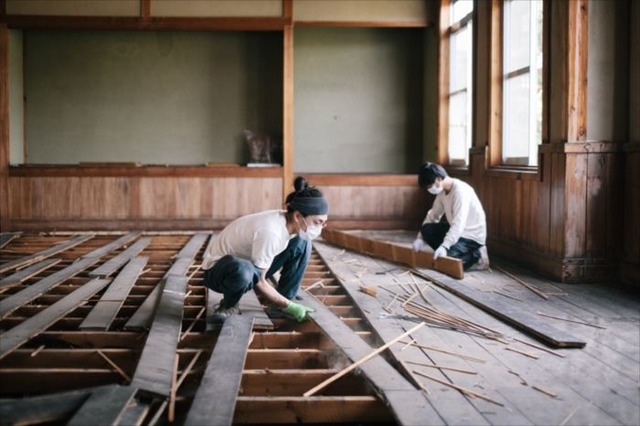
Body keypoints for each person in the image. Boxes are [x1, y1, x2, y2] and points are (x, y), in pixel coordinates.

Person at [202, 176, 328, 323]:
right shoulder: (271, 232)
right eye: (317, 222)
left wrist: (284, 301)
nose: (320, 227)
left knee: (302, 242)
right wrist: (290, 307)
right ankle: (229, 305)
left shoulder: (289, 222)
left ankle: (284, 298)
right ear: (298, 216)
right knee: (244, 271)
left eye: (323, 223)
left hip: (249, 265)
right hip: (219, 273)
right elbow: (259, 281)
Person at [412, 162, 489, 271]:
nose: (429, 189)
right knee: (426, 229)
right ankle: (448, 251)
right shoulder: (442, 192)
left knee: (447, 263)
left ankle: (477, 255)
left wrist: (445, 246)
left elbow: (459, 223)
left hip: (471, 236)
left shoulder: (460, 191)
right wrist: (420, 238)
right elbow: (433, 215)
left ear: (438, 179)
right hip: (458, 231)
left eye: (429, 186)